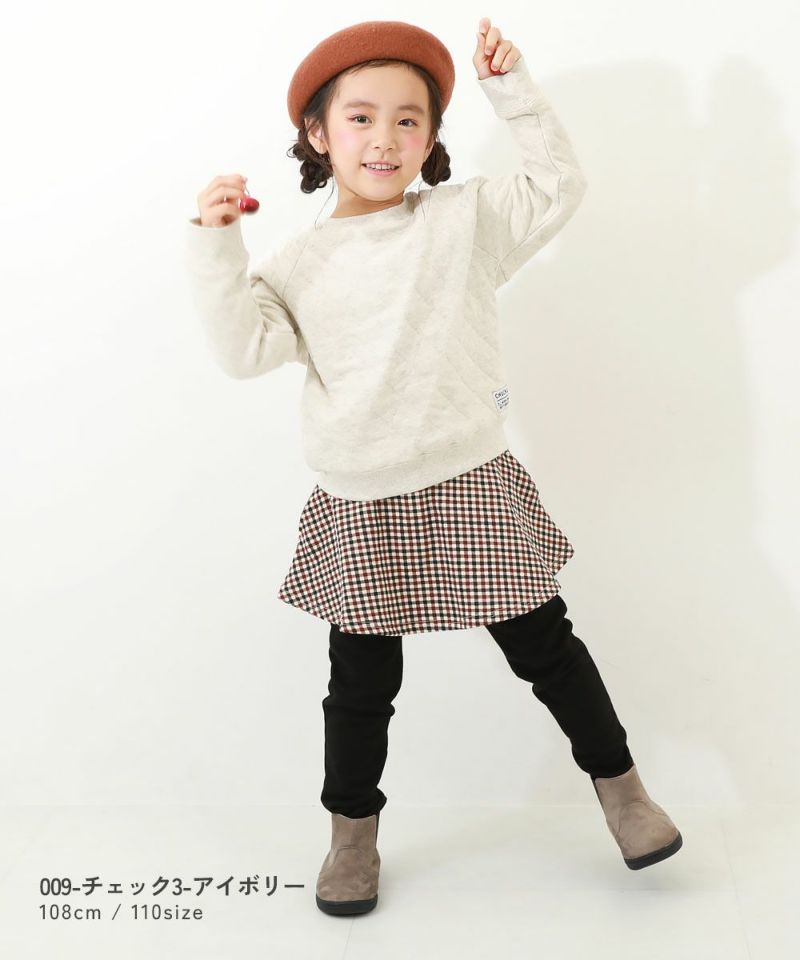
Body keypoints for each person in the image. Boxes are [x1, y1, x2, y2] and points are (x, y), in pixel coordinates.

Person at [185, 17, 682, 917]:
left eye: (408, 120)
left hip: (469, 479)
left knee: (547, 648)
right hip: (360, 498)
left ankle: (624, 793)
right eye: (361, 118)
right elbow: (243, 352)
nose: (385, 138)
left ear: (432, 137)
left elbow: (559, 184)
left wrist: (512, 90)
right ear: (318, 133)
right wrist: (217, 245)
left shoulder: (464, 221)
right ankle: (352, 837)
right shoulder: (297, 264)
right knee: (360, 685)